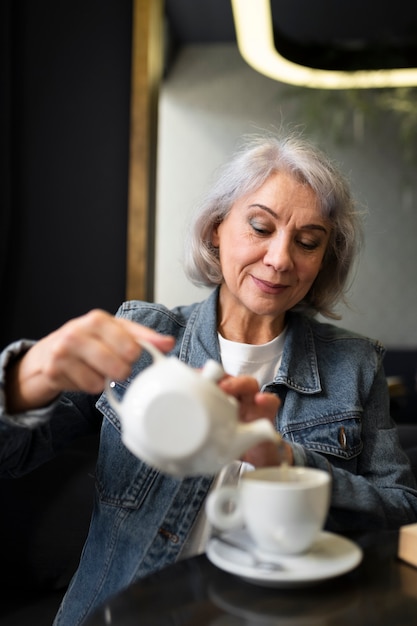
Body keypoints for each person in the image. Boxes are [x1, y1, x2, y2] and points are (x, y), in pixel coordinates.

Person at [1, 131, 416, 625]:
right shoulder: (144, 337)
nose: (281, 259)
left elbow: (401, 512)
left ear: (323, 259)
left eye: (308, 242)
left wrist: (283, 462)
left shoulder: (353, 365)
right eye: (261, 228)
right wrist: (25, 380)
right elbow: (11, 455)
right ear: (217, 229)